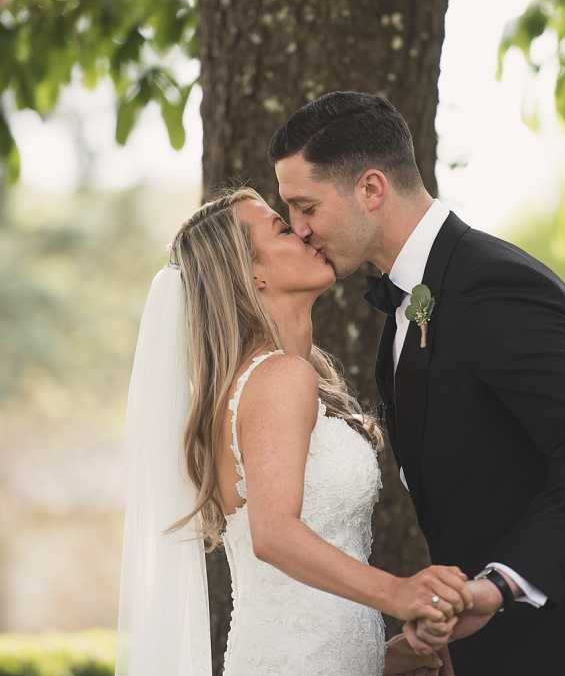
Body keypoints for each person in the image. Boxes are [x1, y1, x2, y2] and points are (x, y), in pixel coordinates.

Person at [270, 90, 565, 676]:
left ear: (371, 190)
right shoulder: (401, 309)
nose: (298, 230)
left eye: (306, 207)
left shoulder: (497, 287)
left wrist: (498, 587)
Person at [115, 186, 472, 676]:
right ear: (252, 274)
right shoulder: (280, 376)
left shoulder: (261, 382)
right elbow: (274, 535)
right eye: (283, 228)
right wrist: (399, 593)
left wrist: (377, 658)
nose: (304, 231)